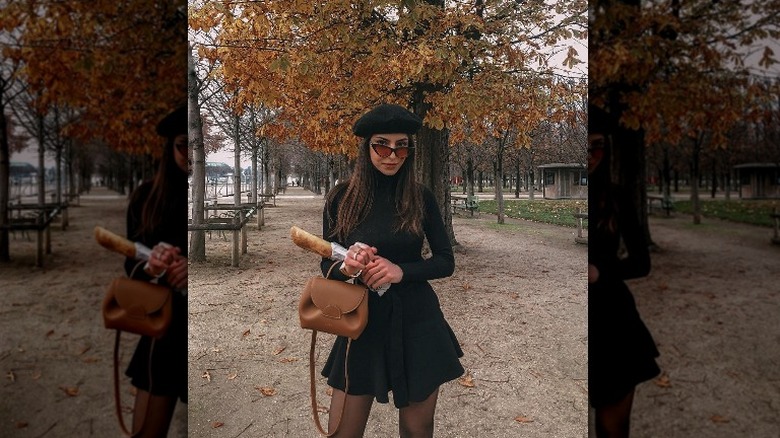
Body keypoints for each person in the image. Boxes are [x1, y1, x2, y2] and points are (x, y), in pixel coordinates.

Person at [320, 103, 464, 437]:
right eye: (382, 145)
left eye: (402, 146)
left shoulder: (421, 197)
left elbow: (445, 261)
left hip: (417, 322)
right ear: (366, 147)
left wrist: (401, 271)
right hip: (361, 322)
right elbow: (326, 262)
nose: (392, 154)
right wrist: (348, 266)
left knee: (417, 429)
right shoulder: (340, 198)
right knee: (342, 431)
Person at [588, 107, 660, 438]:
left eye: (597, 146)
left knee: (611, 428)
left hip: (613, 322)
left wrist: (600, 272)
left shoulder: (616, 197)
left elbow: (641, 263)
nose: (590, 156)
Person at [124, 105, 189, 437]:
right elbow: (130, 263)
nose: (190, 154)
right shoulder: (146, 197)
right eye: (182, 144)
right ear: (170, 146)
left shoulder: (204, 196)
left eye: (198, 145)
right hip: (162, 328)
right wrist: (151, 265)